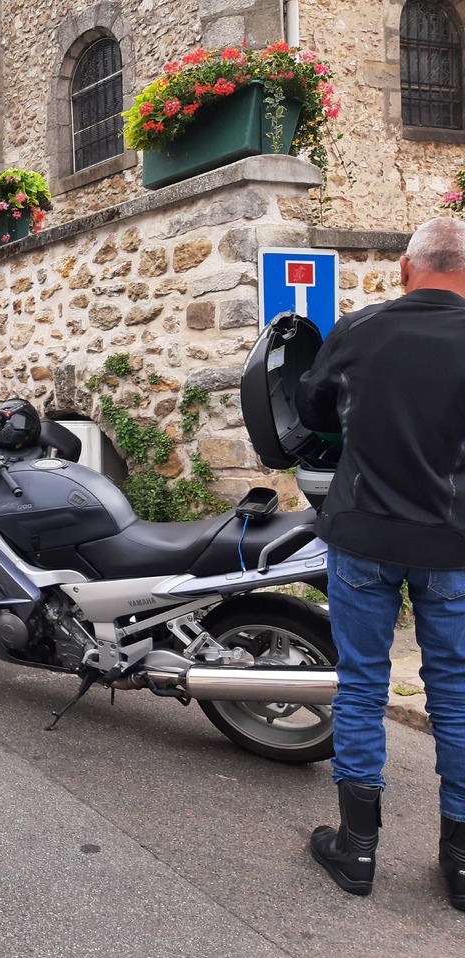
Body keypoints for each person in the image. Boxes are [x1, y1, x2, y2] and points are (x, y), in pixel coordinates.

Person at [297, 216, 465, 910]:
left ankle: (358, 849)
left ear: (405, 268)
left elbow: (311, 408)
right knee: (456, 692)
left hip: (363, 535)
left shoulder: (360, 329)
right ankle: (461, 864)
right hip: (453, 544)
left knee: (362, 684)